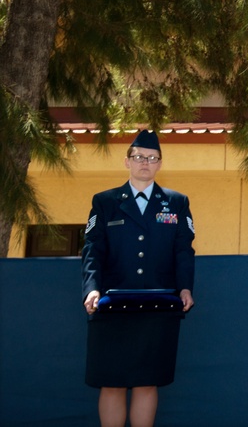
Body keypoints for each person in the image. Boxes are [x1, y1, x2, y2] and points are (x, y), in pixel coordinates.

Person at [81, 129, 195, 427]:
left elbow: (184, 250)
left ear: (160, 164)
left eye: (153, 158)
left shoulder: (177, 202)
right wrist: (91, 290)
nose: (146, 162)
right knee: (112, 381)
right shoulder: (105, 202)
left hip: (159, 304)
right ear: (127, 162)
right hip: (111, 303)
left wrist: (185, 288)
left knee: (148, 381)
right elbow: (93, 248)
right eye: (139, 157)